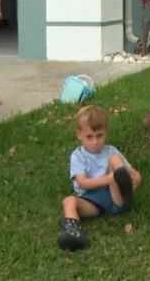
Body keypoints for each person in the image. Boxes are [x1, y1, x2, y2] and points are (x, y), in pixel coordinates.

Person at [57, 105, 142, 251]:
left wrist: (136, 179)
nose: (95, 142)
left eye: (100, 136)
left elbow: (134, 174)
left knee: (114, 159)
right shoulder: (78, 156)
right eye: (89, 137)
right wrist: (109, 178)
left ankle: (125, 192)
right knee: (68, 201)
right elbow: (82, 183)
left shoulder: (111, 151)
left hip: (115, 195)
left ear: (106, 133)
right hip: (93, 203)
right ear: (79, 134)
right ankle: (74, 232)